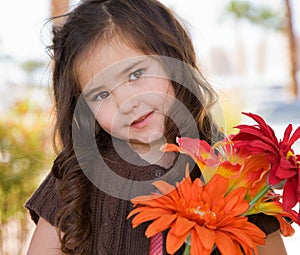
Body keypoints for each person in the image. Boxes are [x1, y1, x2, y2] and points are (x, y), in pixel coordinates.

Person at [25, 0, 288, 254]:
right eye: (100, 95)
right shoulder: (77, 174)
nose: (126, 103)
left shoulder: (231, 171)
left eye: (135, 74)